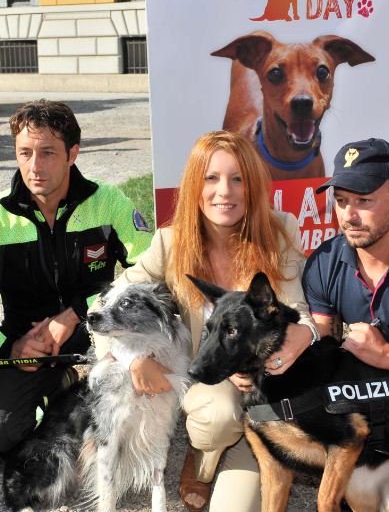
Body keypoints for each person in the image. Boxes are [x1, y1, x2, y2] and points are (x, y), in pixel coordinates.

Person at [93, 130, 320, 512]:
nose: (224, 192)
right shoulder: (170, 242)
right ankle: (202, 457)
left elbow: (301, 315)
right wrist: (132, 359)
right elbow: (108, 303)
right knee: (217, 415)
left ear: (253, 186)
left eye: (237, 179)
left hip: (263, 393)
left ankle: (245, 450)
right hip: (210, 391)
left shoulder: (280, 231)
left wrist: (304, 335)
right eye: (211, 178)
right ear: (195, 186)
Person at [0, 99, 151, 454]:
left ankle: (80, 386)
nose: (34, 167)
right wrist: (13, 348)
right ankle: (63, 382)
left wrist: (77, 313)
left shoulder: (109, 202)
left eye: (48, 152)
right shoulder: (1, 217)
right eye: (24, 153)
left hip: (102, 330)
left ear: (73, 154)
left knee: (122, 431)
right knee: (4, 431)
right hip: (27, 344)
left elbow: (149, 272)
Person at [303, 137, 389, 370]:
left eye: (363, 201)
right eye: (341, 200)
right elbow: (322, 348)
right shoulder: (324, 262)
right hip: (364, 399)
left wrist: (387, 355)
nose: (348, 216)